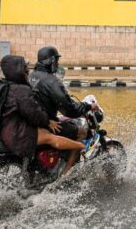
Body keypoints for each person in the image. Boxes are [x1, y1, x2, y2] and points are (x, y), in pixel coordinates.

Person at [0, 55, 84, 160]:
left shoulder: (2, 86)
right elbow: (33, 113)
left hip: (5, 130)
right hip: (16, 133)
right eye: (24, 68)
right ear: (17, 71)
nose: (27, 70)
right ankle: (78, 153)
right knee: (53, 137)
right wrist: (48, 122)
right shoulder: (21, 90)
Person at [29, 45, 98, 175]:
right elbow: (70, 109)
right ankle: (67, 173)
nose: (57, 63)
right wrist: (88, 106)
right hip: (47, 124)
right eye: (56, 60)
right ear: (51, 61)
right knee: (81, 131)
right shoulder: (52, 81)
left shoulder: (31, 76)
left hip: (33, 122)